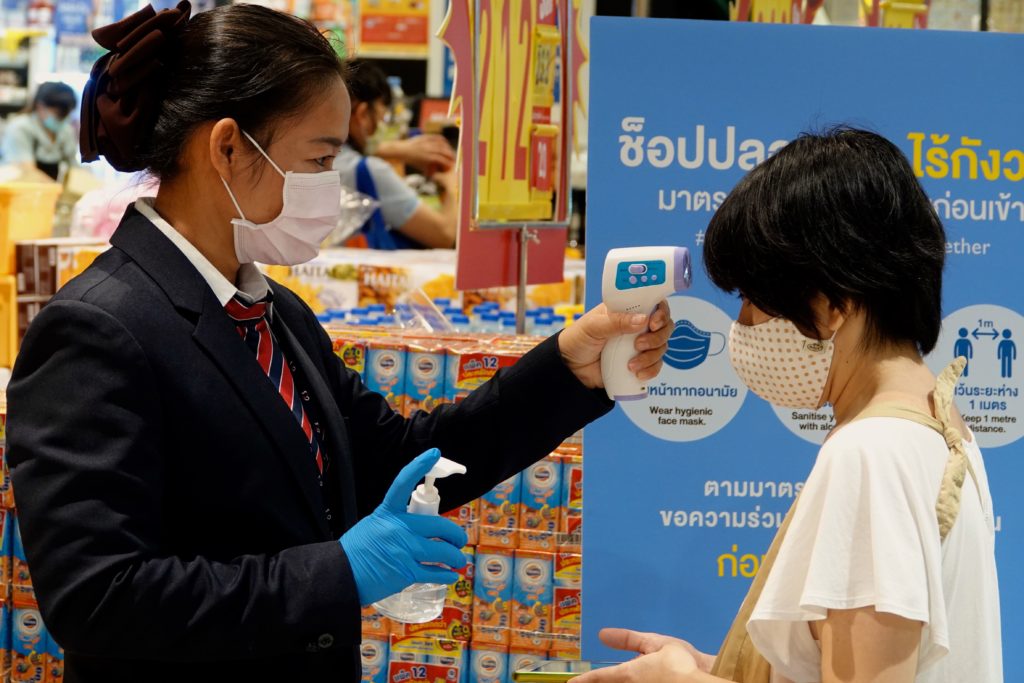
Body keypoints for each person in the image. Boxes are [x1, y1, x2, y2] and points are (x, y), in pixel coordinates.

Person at [6, 4, 674, 683]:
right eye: (321, 157)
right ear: (229, 147)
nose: (332, 186)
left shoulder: (275, 313)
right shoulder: (98, 329)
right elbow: (98, 595)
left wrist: (569, 367)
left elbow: (397, 458)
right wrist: (337, 572)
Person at [576, 129, 1001, 683]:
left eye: (753, 300)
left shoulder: (871, 455)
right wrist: (722, 669)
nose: (743, 326)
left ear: (833, 306)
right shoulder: (937, 420)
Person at [337, 58, 458, 249]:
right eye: (381, 116)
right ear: (362, 114)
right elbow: (445, 235)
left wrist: (396, 150)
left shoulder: (312, 157)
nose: (381, 127)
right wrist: (453, 184)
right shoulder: (370, 170)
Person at [0, 81, 78, 180]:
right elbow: (28, 171)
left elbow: (74, 167)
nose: (63, 119)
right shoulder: (20, 128)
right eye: (59, 114)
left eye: (67, 115)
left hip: (48, 190)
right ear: (40, 107)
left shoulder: (65, 131)